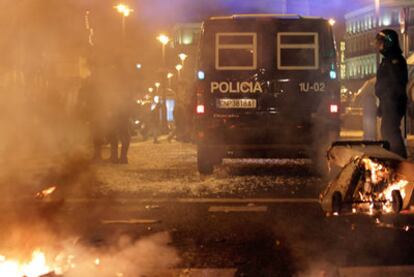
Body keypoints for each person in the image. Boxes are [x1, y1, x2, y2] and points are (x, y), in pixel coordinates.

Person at [375, 29, 408, 158]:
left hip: (393, 103)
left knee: (391, 131)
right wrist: (382, 105)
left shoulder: (395, 60)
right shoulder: (388, 60)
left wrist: (390, 103)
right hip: (388, 102)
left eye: (380, 42)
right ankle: (393, 158)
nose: (378, 45)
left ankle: (400, 161)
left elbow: (395, 84)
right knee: (386, 131)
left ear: (388, 42)